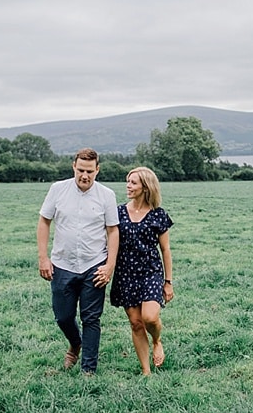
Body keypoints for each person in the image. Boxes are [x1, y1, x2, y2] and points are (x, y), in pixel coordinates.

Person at [37, 148, 119, 375]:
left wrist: (109, 265)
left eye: (90, 171)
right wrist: (43, 258)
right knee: (63, 316)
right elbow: (44, 222)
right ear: (74, 166)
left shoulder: (107, 195)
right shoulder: (57, 190)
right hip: (62, 264)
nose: (85, 175)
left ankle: (88, 370)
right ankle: (75, 343)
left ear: (97, 170)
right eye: (81, 170)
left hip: (94, 264)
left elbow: (113, 231)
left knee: (91, 318)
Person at [110, 166, 174, 375]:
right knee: (136, 324)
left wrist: (168, 281)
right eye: (128, 181)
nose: (128, 186)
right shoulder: (118, 212)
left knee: (149, 317)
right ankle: (146, 371)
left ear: (145, 187)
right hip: (125, 274)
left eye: (133, 182)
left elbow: (165, 249)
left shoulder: (158, 215)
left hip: (151, 273)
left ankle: (157, 340)